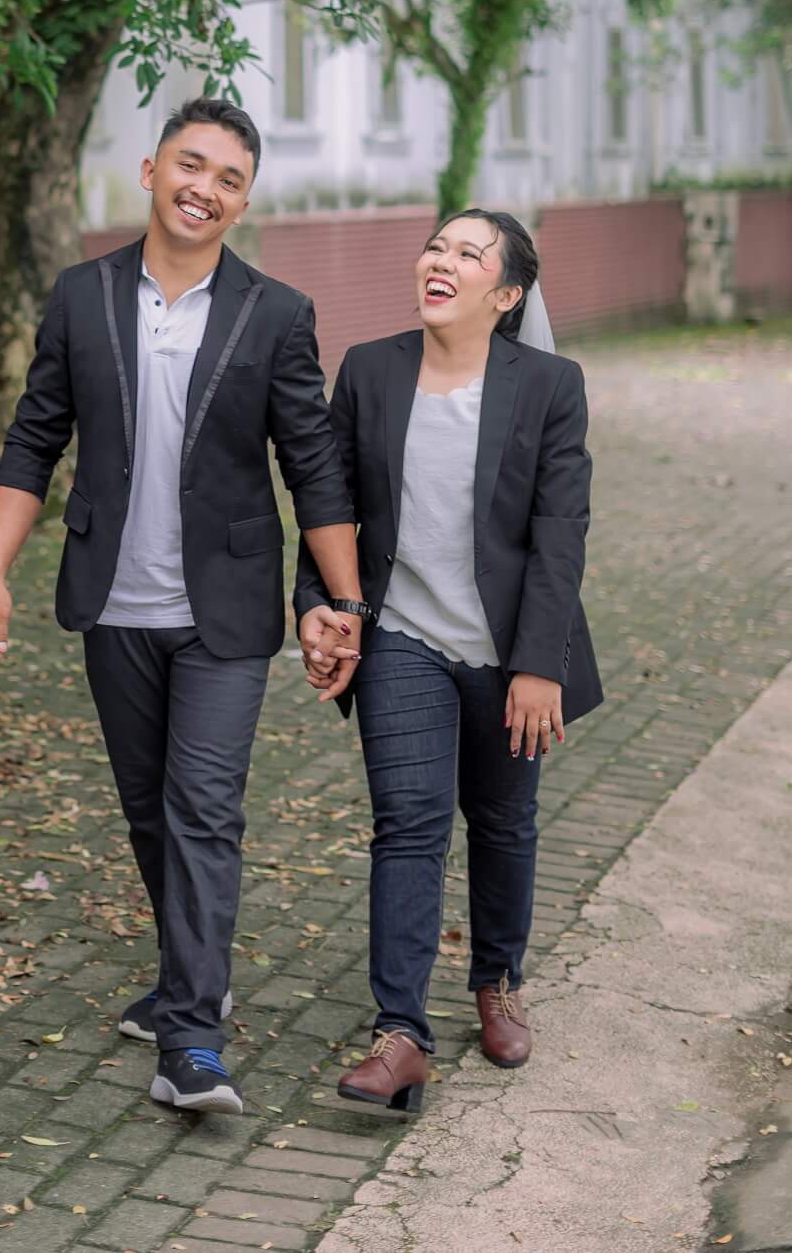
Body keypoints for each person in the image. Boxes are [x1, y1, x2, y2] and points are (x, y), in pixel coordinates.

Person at [0, 97, 365, 1116]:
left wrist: (344, 600)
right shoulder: (82, 294)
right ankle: (196, 970)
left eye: (229, 179)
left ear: (243, 202)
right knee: (150, 810)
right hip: (115, 603)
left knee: (203, 810)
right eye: (191, 166)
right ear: (151, 171)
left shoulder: (274, 313)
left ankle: (192, 1039)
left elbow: (312, 467)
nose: (205, 189)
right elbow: (33, 439)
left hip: (225, 612)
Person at [295, 208, 602, 1113]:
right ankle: (400, 1036)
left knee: (503, 823)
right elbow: (328, 503)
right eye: (437, 246)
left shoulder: (549, 385)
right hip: (402, 638)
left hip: (509, 652)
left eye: (470, 254)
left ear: (506, 295)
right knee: (409, 824)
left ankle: (497, 981)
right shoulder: (371, 370)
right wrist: (317, 605)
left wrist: (539, 664)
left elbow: (560, 534)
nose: (442, 260)